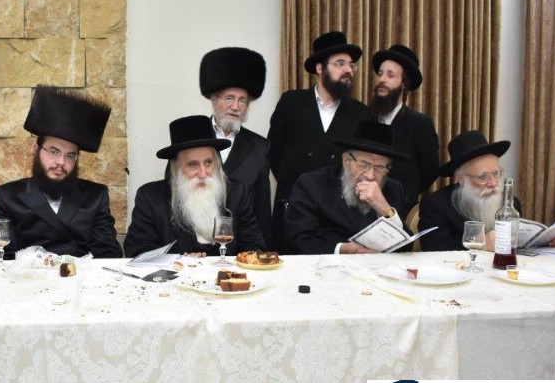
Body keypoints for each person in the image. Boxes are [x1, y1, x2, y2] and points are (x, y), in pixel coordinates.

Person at [0, 86, 122, 259]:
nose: (61, 162)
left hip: (80, 275)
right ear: (35, 150)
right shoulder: (8, 196)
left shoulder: (96, 196)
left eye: (70, 156)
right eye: (54, 152)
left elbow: (109, 254)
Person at [267, 31, 371, 251]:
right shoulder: (291, 103)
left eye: (351, 65)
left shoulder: (361, 113)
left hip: (339, 216)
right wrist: (294, 187)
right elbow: (274, 152)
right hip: (293, 209)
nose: (348, 70)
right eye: (340, 63)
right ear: (320, 68)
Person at [124, 115, 265, 257]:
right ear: (176, 168)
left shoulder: (236, 193)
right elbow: (138, 252)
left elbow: (255, 248)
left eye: (208, 163)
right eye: (193, 165)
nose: (203, 173)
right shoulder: (150, 198)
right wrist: (178, 262)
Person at [285, 120, 409, 255]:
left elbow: (406, 248)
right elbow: (299, 240)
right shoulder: (313, 184)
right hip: (327, 264)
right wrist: (343, 249)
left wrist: (384, 209)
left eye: (379, 168)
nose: (370, 176)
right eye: (364, 164)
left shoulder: (393, 189)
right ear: (346, 161)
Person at [199, 47, 272, 245]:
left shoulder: (260, 147)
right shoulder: (192, 137)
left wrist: (262, 250)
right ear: (214, 100)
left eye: (242, 101)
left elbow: (262, 209)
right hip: (196, 245)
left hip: (241, 245)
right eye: (229, 98)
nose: (235, 106)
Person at [419, 130, 521, 252]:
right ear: (461, 179)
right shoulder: (436, 205)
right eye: (482, 177)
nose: (493, 183)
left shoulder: (510, 204)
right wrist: (480, 244)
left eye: (495, 173)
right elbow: (433, 248)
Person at [369, 44, 440, 218]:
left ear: (404, 84)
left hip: (400, 209)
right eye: (380, 74)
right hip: (364, 208)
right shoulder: (365, 118)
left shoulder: (420, 123)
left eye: (390, 75)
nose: (382, 79)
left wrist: (406, 191)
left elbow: (430, 171)